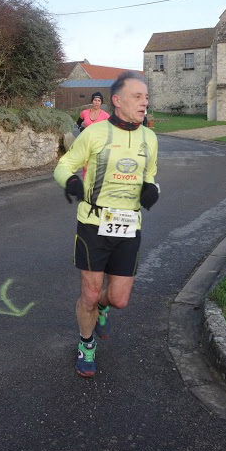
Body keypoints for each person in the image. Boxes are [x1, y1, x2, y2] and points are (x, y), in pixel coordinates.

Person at [54, 71, 159, 378]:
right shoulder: (96, 133)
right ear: (117, 101)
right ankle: (86, 345)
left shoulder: (150, 138)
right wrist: (72, 181)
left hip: (129, 226)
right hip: (93, 223)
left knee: (119, 299)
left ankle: (103, 308)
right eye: (137, 97)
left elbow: (150, 174)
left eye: (146, 97)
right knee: (89, 293)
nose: (144, 103)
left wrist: (151, 188)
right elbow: (64, 165)